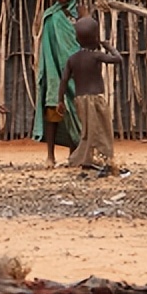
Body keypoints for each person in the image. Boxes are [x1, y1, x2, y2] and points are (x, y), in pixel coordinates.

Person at [32, 0, 86, 168]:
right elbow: (48, 46)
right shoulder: (50, 15)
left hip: (76, 71)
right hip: (54, 72)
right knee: (52, 111)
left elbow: (85, 41)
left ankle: (74, 154)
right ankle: (50, 156)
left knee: (75, 112)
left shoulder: (81, 13)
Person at [57, 16, 124, 175]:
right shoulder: (96, 56)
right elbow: (118, 59)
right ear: (95, 38)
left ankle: (86, 161)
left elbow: (64, 80)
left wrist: (60, 100)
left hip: (80, 100)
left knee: (88, 131)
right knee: (103, 130)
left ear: (76, 38)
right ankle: (105, 161)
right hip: (96, 100)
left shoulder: (73, 59)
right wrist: (108, 46)